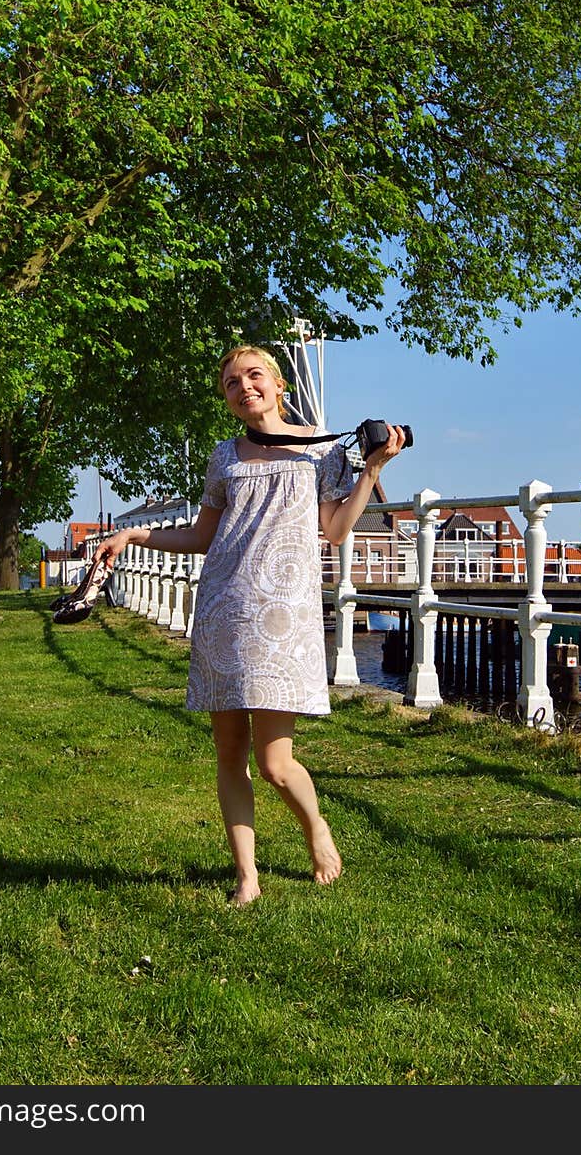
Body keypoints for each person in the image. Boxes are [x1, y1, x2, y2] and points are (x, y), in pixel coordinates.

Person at [93, 345, 406, 905]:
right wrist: (134, 535)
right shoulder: (224, 458)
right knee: (228, 757)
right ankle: (247, 877)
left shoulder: (322, 451)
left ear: (279, 384)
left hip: (286, 619)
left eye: (254, 375)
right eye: (232, 383)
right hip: (223, 613)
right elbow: (200, 536)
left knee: (275, 764)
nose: (245, 387)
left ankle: (316, 828)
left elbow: (334, 530)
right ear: (228, 398)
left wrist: (373, 471)